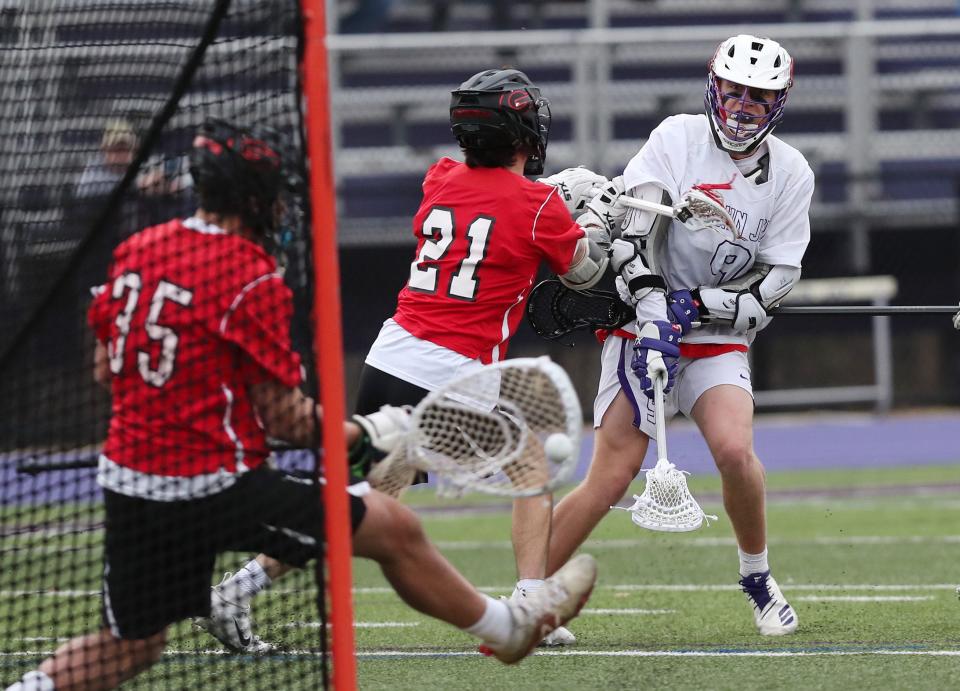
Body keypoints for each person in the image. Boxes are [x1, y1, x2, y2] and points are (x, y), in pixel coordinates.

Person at [4, 118, 598, 691]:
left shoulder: (142, 246)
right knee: (495, 477)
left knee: (133, 643)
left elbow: (106, 369)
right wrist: (365, 434)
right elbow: (285, 419)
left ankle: (234, 593)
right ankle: (519, 612)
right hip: (221, 475)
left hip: (134, 476)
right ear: (255, 198)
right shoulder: (248, 272)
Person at [202, 68, 614, 652]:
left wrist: (561, 210)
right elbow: (585, 271)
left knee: (357, 503)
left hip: (391, 353)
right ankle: (528, 603)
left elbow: (493, 213)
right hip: (454, 371)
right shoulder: (541, 204)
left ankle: (236, 589)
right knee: (534, 459)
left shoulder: (441, 177)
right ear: (523, 130)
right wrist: (598, 220)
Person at [544, 34, 813, 637]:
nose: (743, 106)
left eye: (759, 96)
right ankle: (526, 594)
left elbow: (776, 282)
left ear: (780, 103)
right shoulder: (675, 138)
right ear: (713, 87)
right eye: (734, 90)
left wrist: (695, 305)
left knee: (735, 452)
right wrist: (653, 307)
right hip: (642, 326)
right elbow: (633, 234)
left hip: (713, 333)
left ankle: (757, 576)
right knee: (611, 476)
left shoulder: (792, 172)